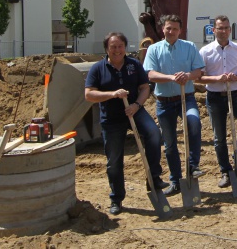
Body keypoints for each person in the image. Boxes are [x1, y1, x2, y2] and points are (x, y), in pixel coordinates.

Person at [85, 32, 167, 215]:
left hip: (134, 111)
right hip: (112, 118)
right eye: (113, 47)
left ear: (125, 47)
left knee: (153, 133)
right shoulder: (98, 68)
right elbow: (89, 94)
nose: (117, 50)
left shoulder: (134, 65)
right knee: (114, 161)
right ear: (107, 48)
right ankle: (116, 198)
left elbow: (145, 88)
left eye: (120, 46)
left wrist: (137, 105)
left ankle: (153, 177)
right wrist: (112, 94)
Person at [144, 15, 205, 196]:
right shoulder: (154, 49)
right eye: (168, 28)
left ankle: (193, 166)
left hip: (186, 98)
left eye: (175, 29)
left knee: (194, 122)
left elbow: (199, 71)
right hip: (164, 102)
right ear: (163, 29)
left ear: (180, 30)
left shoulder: (189, 47)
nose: (171, 32)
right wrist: (171, 77)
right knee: (170, 144)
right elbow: (150, 75)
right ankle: (175, 180)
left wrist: (187, 76)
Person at [199, 15, 237, 188]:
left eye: (226, 28)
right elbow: (199, 78)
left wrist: (236, 77)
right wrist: (217, 78)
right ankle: (225, 171)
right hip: (214, 96)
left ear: (230, 30)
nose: (223, 31)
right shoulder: (205, 51)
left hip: (235, 93)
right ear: (213, 30)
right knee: (219, 137)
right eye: (220, 28)